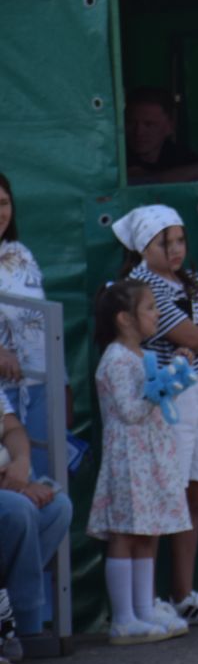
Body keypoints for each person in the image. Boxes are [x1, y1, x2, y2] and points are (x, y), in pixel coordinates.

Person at [115, 205, 198, 627]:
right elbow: (190, 336)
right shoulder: (141, 286)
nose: (175, 250)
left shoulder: (196, 281)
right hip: (173, 397)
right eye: (163, 243)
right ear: (141, 248)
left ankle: (185, 594)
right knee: (167, 493)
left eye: (179, 240)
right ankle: (149, 602)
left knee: (195, 494)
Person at [87, 281, 190, 644]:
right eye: (149, 308)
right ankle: (124, 618)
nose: (156, 314)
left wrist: (174, 378)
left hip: (148, 455)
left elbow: (151, 400)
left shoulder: (138, 356)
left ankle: (144, 610)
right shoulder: (115, 359)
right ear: (124, 319)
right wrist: (160, 387)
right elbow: (131, 411)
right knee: (125, 534)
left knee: (147, 532)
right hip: (128, 457)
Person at [0, 390, 71, 650]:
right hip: (7, 489)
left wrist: (21, 461)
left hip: (10, 482)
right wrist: (15, 487)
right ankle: (20, 621)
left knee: (58, 508)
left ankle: (11, 619)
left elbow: (13, 428)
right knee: (20, 509)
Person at [0, 174, 50, 480]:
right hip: (1, 396)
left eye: (3, 203)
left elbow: (43, 322)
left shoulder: (20, 255)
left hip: (38, 385)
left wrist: (63, 383)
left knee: (43, 482)